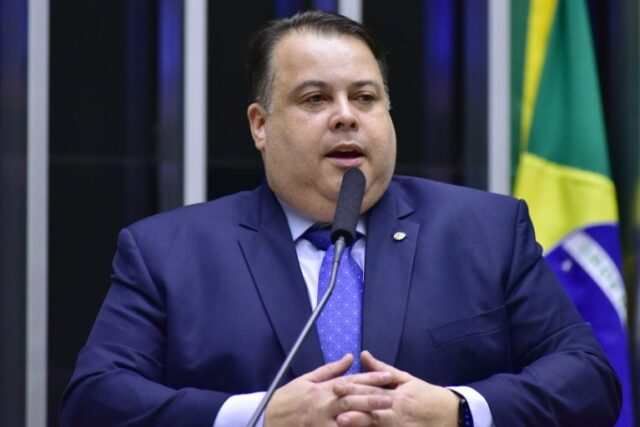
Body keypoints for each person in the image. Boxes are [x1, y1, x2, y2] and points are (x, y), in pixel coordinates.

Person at [60, 10, 621, 427]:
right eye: (315, 99)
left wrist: (458, 409)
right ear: (260, 125)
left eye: (365, 98)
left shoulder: (486, 231)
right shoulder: (168, 252)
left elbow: (588, 378)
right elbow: (95, 400)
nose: (346, 117)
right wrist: (259, 416)